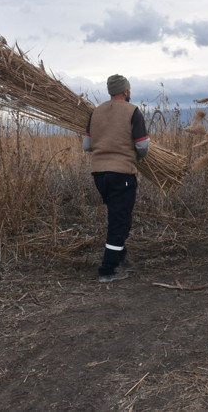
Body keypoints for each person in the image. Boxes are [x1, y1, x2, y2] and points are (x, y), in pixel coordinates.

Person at [82, 74, 150, 283]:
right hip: (122, 174)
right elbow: (142, 146)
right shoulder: (133, 111)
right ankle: (108, 270)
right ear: (126, 91)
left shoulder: (96, 112)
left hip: (99, 174)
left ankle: (119, 258)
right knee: (119, 222)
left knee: (117, 217)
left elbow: (87, 146)